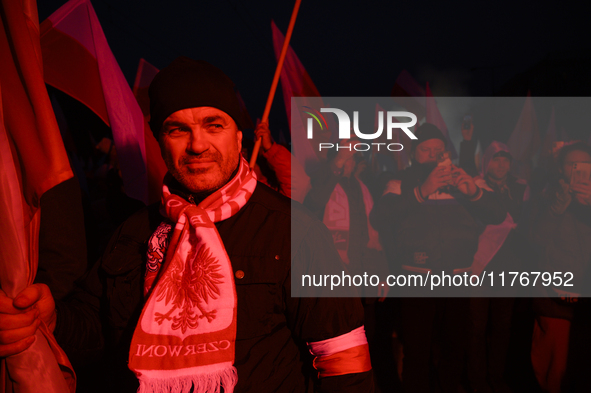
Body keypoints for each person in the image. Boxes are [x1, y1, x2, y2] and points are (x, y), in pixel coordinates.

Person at [0, 57, 373, 393]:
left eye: (214, 125)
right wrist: (53, 319)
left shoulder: (295, 229)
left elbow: (343, 360)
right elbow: (95, 331)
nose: (197, 145)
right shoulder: (133, 231)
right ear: (161, 141)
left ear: (239, 136)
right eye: (178, 129)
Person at [370, 123, 506, 393]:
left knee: (454, 349)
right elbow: (381, 216)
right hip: (416, 277)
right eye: (426, 150)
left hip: (458, 277)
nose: (433, 155)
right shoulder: (400, 181)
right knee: (417, 351)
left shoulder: (463, 179)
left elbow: (498, 213)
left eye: (438, 150)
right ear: (413, 153)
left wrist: (474, 192)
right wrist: (422, 189)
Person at [463, 141, 530, 393]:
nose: (501, 165)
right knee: (476, 327)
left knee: (503, 326)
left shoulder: (521, 188)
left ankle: (496, 376)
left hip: (510, 266)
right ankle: (476, 380)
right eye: (495, 159)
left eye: (505, 159)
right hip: (480, 265)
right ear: (486, 161)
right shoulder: (476, 187)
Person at [529, 141, 591, 393]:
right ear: (560, 168)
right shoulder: (544, 196)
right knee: (555, 369)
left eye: (586, 164)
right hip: (555, 296)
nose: (580, 170)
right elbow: (535, 241)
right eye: (572, 164)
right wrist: (557, 207)